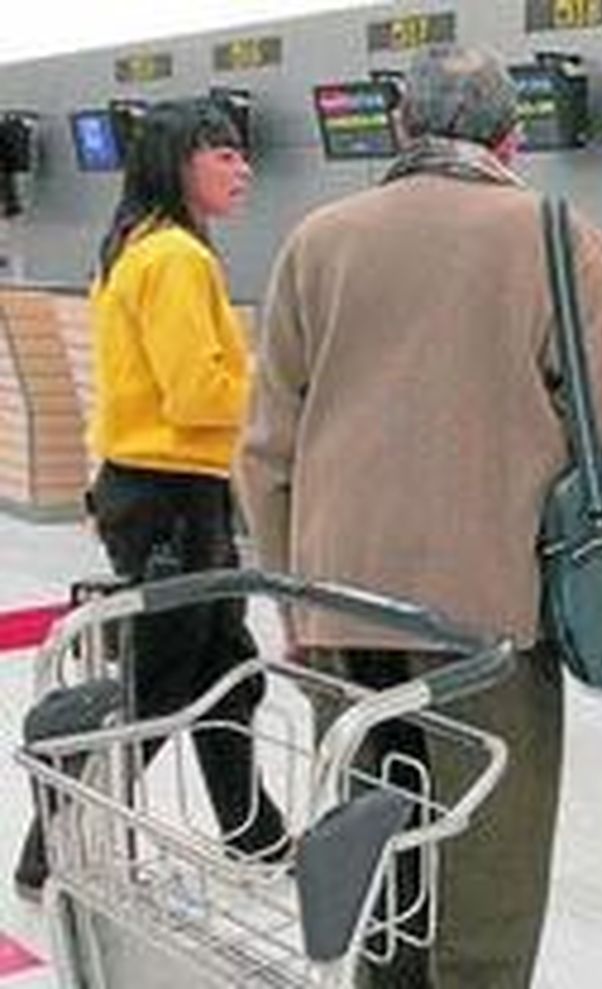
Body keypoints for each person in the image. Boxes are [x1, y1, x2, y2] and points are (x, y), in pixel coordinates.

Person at [236, 44, 602, 989]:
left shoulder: (319, 239)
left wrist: (294, 605)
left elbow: (265, 451)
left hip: (337, 596)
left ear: (398, 128)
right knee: (489, 863)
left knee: (380, 827)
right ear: (513, 138)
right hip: (488, 609)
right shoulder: (556, 234)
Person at [14, 98, 285, 900]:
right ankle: (52, 842)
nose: (243, 168)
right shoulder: (174, 257)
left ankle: (254, 832)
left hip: (163, 493)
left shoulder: (136, 245)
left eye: (242, 153)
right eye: (225, 154)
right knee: (161, 684)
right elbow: (197, 392)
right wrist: (275, 387)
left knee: (226, 668)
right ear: (179, 161)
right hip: (169, 497)